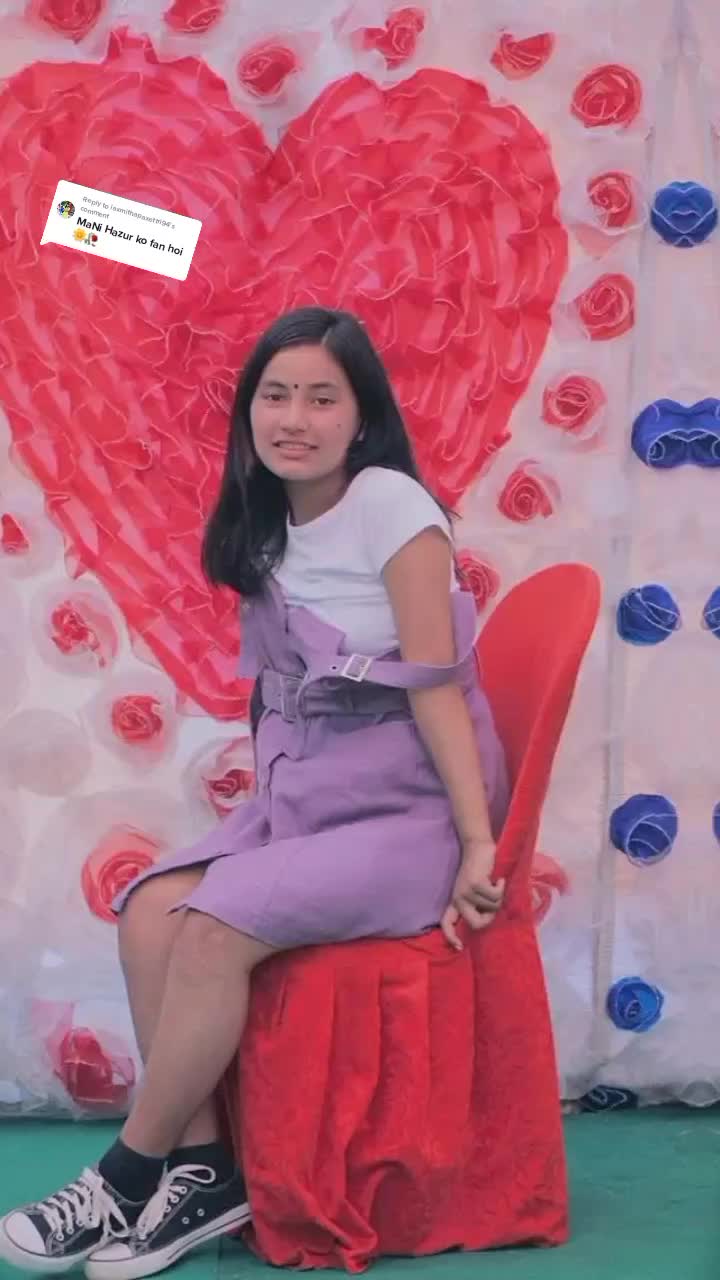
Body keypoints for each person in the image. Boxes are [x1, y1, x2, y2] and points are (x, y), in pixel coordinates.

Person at [0, 306, 509, 1279]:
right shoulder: (268, 516)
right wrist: (273, 809)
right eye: (275, 396)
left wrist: (478, 843)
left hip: (410, 814)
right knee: (148, 910)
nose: (294, 419)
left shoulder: (392, 507)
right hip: (314, 799)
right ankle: (203, 1171)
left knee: (211, 929)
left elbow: (438, 688)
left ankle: (123, 1174)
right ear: (249, 412)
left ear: (361, 418)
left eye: (321, 398)